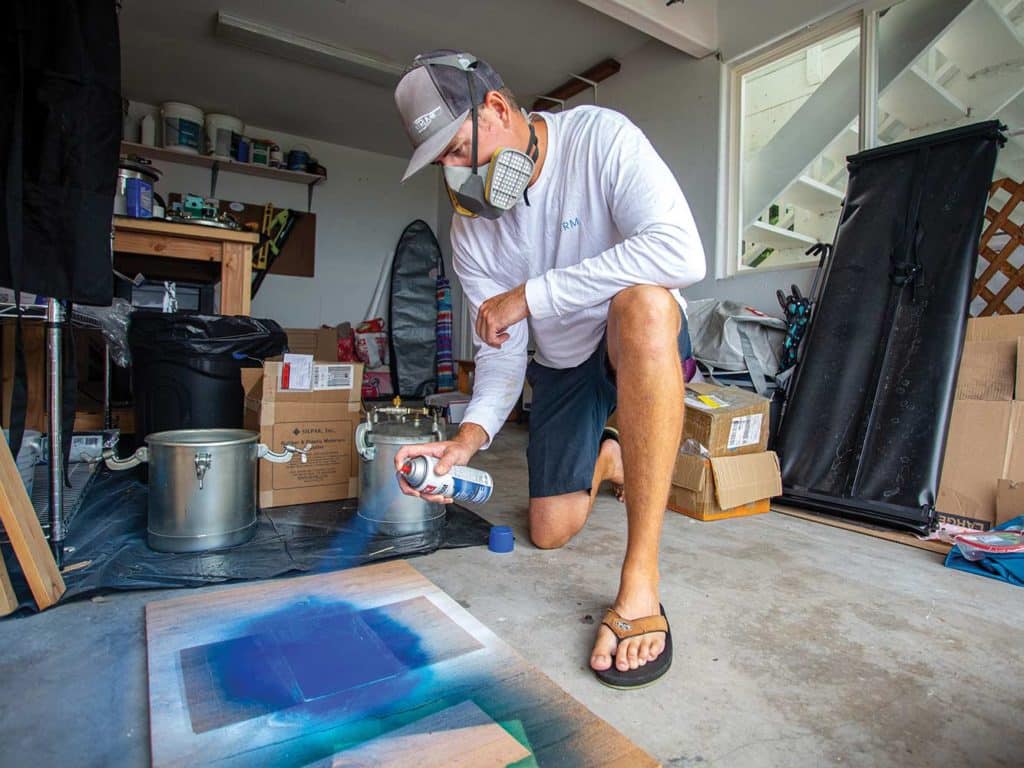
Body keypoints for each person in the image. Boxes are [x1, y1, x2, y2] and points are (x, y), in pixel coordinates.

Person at [392, 50, 706, 689]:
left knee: (645, 303)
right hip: (561, 362)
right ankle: (610, 453)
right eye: (442, 162)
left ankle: (641, 580)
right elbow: (503, 354)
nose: (456, 173)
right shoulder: (471, 231)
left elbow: (681, 250)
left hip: (635, 337)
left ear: (498, 109)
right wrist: (468, 439)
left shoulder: (599, 139)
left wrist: (531, 294)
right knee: (549, 532)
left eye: (458, 148)